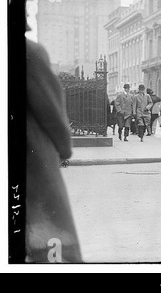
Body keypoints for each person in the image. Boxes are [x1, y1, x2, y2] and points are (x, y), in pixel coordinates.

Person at [26, 37, 82, 262]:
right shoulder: (29, 51)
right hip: (30, 157)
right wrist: (64, 148)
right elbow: (49, 106)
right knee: (50, 232)